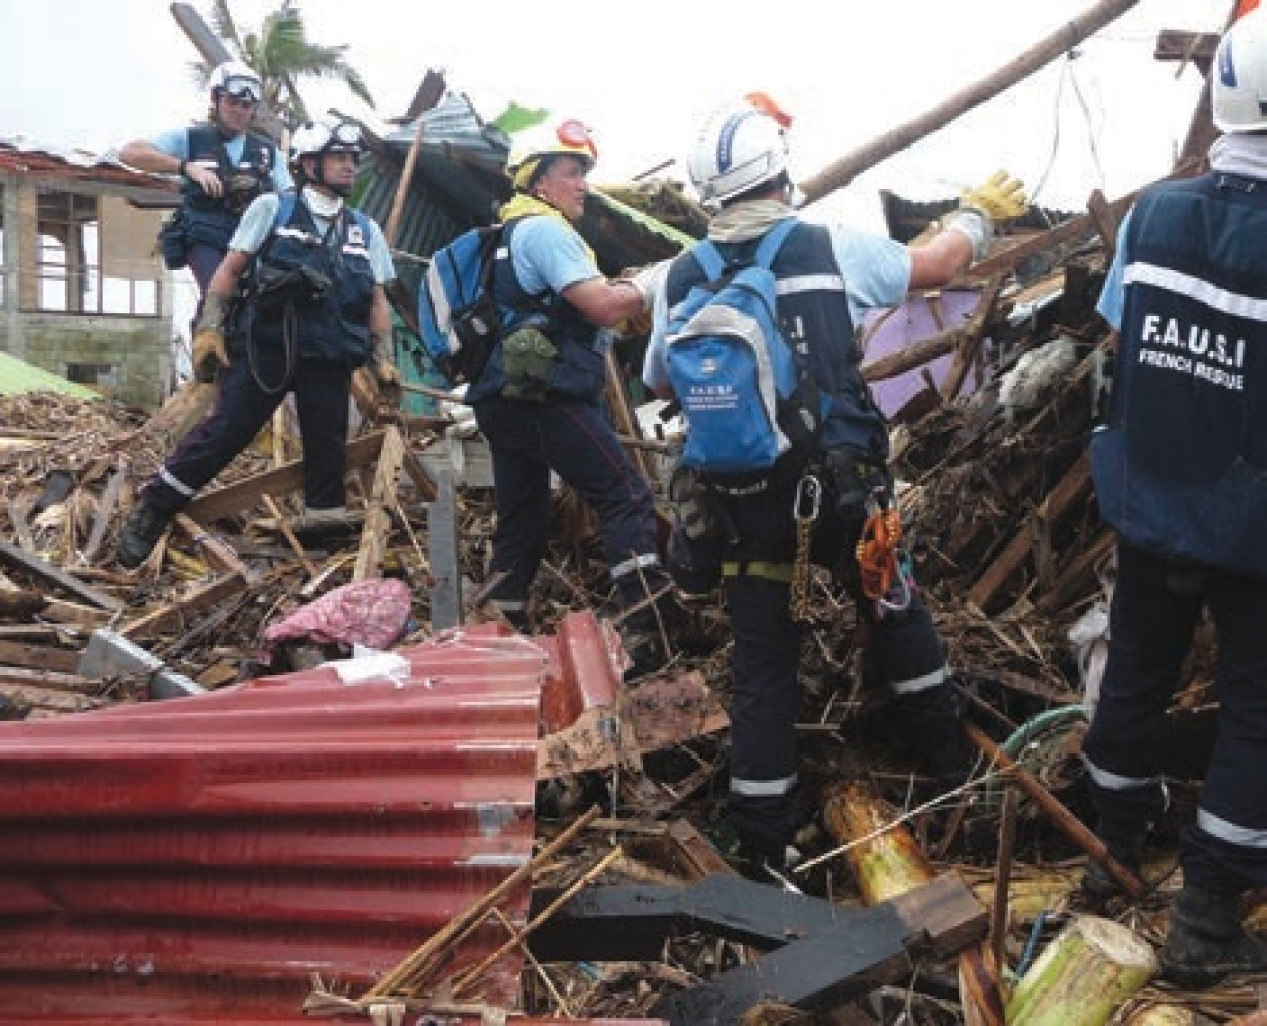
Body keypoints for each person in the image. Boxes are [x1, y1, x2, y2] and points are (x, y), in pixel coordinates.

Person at [642, 98, 1027, 877]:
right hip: (843, 497)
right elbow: (938, 266)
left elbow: (657, 378)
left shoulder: (678, 276)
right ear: (780, 169)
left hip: (741, 508)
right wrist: (977, 215)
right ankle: (951, 782)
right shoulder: (830, 248)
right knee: (895, 614)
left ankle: (761, 843)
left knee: (760, 667)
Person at [1079, 8, 1267, 988]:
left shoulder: (1153, 216)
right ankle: (1205, 920)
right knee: (1257, 715)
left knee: (1134, 679)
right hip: (1252, 526)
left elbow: (1121, 335)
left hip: (1150, 501)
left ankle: (1109, 855)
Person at [115, 116, 400, 569]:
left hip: (328, 357)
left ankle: (320, 546)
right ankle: (156, 507)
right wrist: (210, 328)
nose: (350, 167)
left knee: (327, 449)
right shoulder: (274, 209)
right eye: (339, 158)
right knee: (226, 432)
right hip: (267, 350)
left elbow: (377, 300)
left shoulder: (364, 229)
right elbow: (228, 271)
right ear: (309, 164)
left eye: (352, 159)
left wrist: (383, 360)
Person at [465, 117, 676, 669]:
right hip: (545, 400)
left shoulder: (508, 234)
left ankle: (496, 625)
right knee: (624, 493)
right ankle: (648, 624)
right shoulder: (547, 230)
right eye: (570, 171)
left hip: (501, 398)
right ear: (538, 181)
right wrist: (658, 281)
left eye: (583, 172)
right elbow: (604, 306)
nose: (582, 183)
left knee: (524, 518)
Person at [120, 60, 291, 312]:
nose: (239, 111)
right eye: (232, 103)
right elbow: (130, 153)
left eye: (246, 105)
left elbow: (289, 197)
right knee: (220, 300)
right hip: (206, 238)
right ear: (217, 100)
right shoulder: (192, 139)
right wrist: (186, 167)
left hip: (251, 240)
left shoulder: (266, 151)